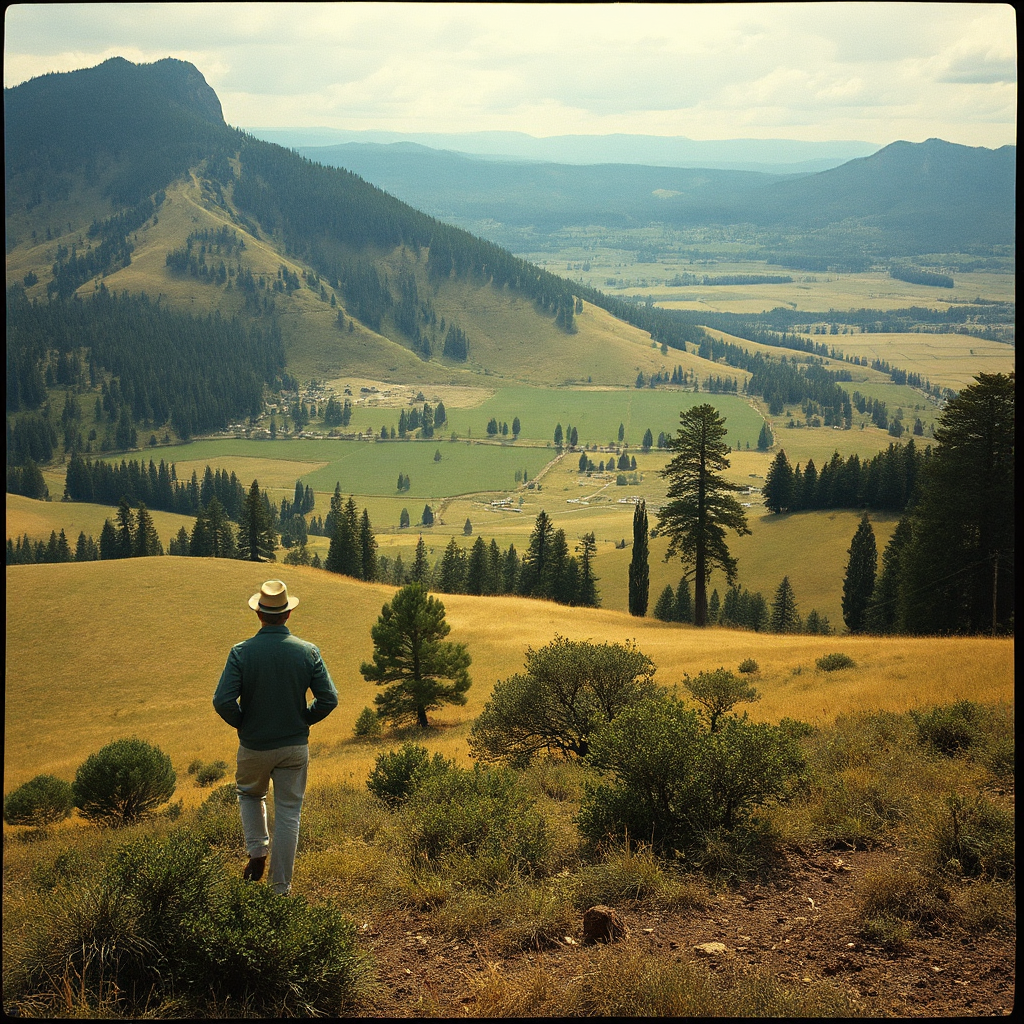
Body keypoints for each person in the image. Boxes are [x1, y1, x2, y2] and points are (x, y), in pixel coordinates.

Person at [213, 579, 338, 895]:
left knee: (250, 793)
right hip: (294, 747)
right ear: (287, 615)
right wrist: (302, 720)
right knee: (289, 813)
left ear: (259, 614)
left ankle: (257, 853)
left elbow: (223, 700)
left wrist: (245, 724)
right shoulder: (308, 652)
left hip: (253, 745)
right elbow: (329, 699)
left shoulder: (241, 653)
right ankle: (280, 889)